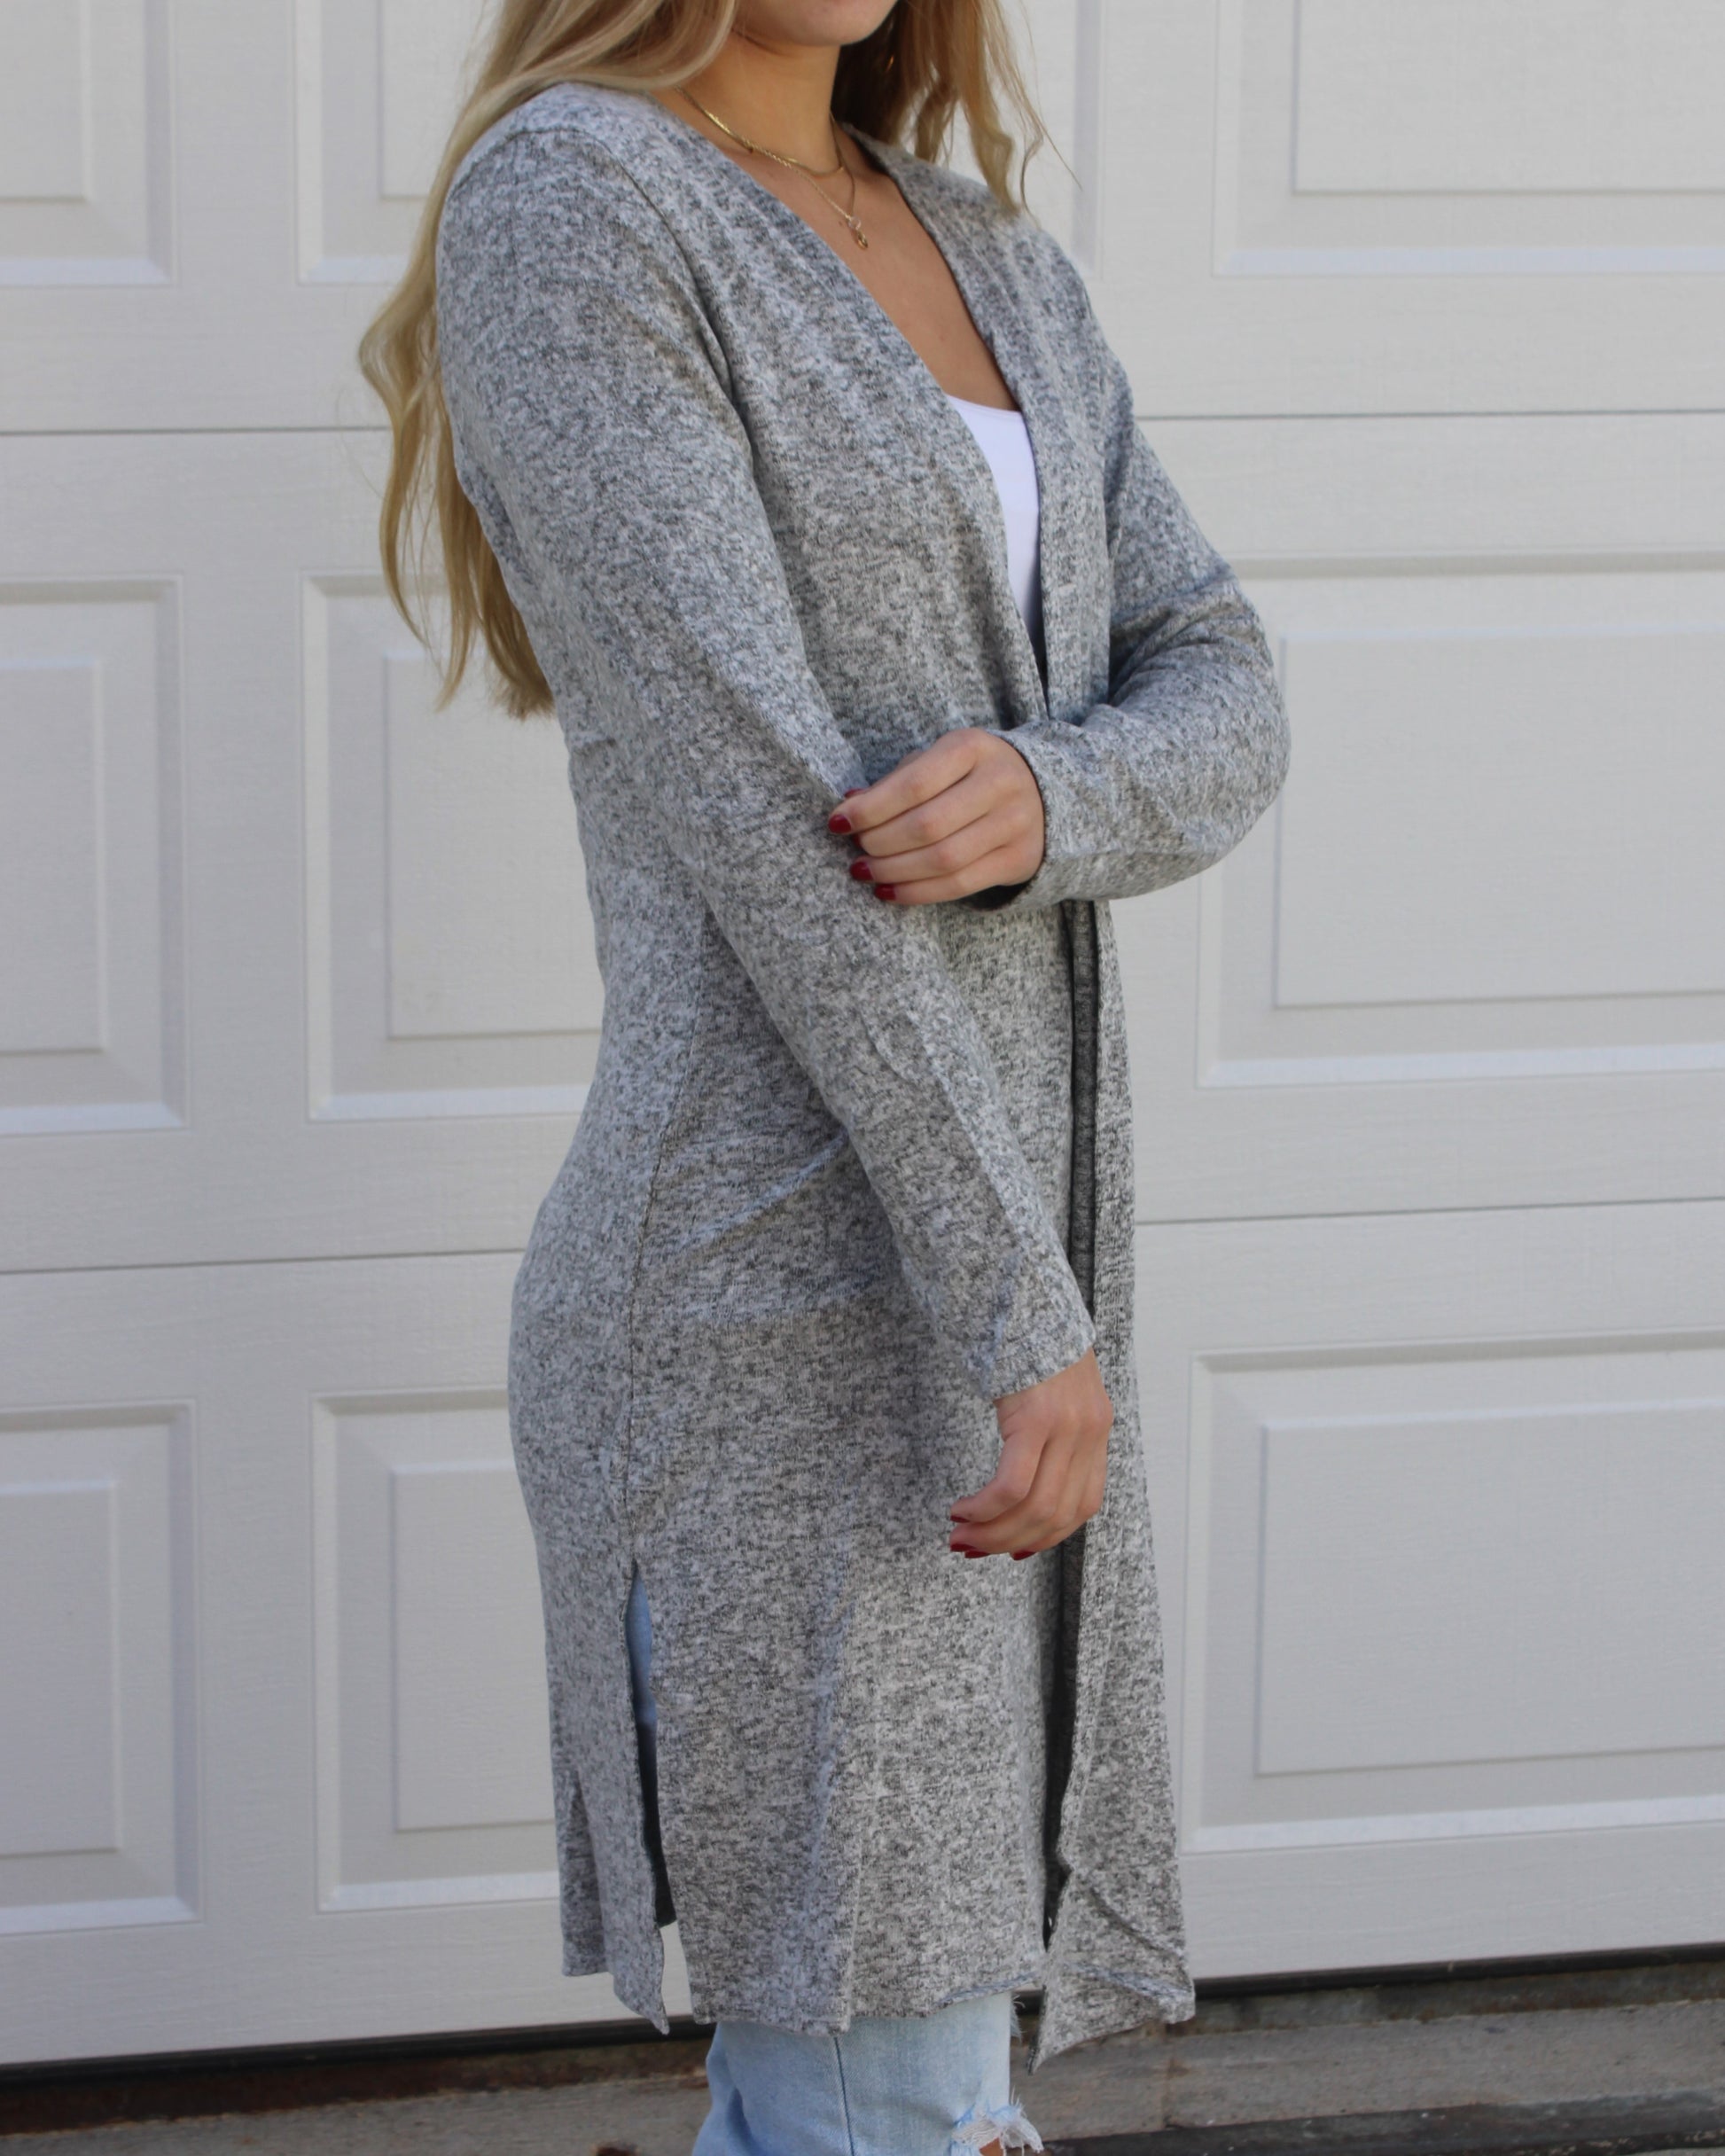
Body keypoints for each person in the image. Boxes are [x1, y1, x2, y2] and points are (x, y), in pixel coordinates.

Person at [360, 2, 1290, 2149]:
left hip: (987, 1299)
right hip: (776, 1309)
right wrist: (1019, 1308)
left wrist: (1053, 795)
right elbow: (774, 821)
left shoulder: (985, 246)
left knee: (886, 2086)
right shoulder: (578, 200)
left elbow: (1225, 678)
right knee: (884, 2087)